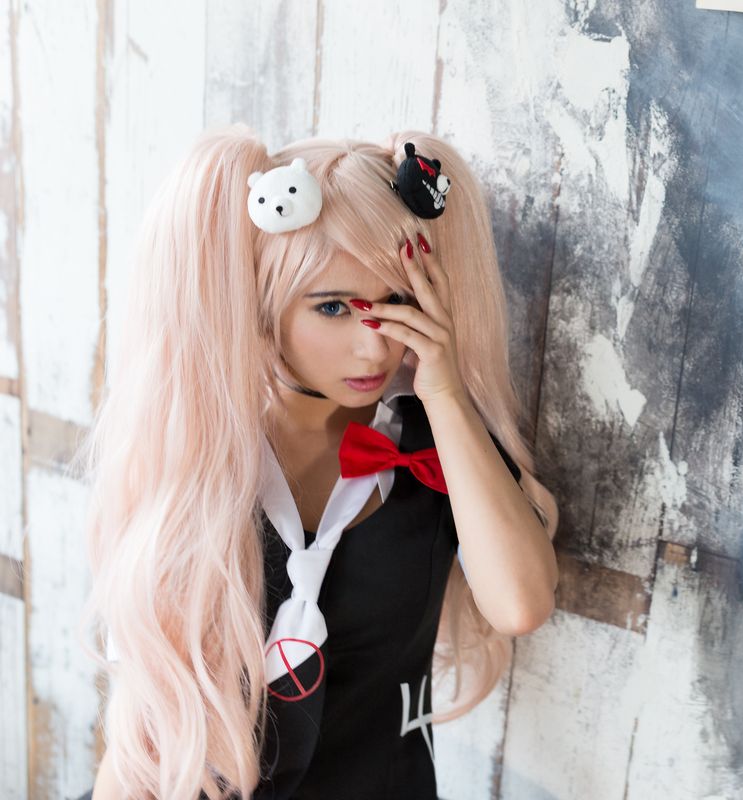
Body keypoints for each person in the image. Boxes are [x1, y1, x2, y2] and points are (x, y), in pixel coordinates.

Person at [71, 124, 560, 799]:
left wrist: (446, 394)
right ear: (262, 300)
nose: (373, 347)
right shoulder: (197, 454)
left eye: (397, 303)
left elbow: (520, 604)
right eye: (332, 307)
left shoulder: (441, 442)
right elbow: (145, 714)